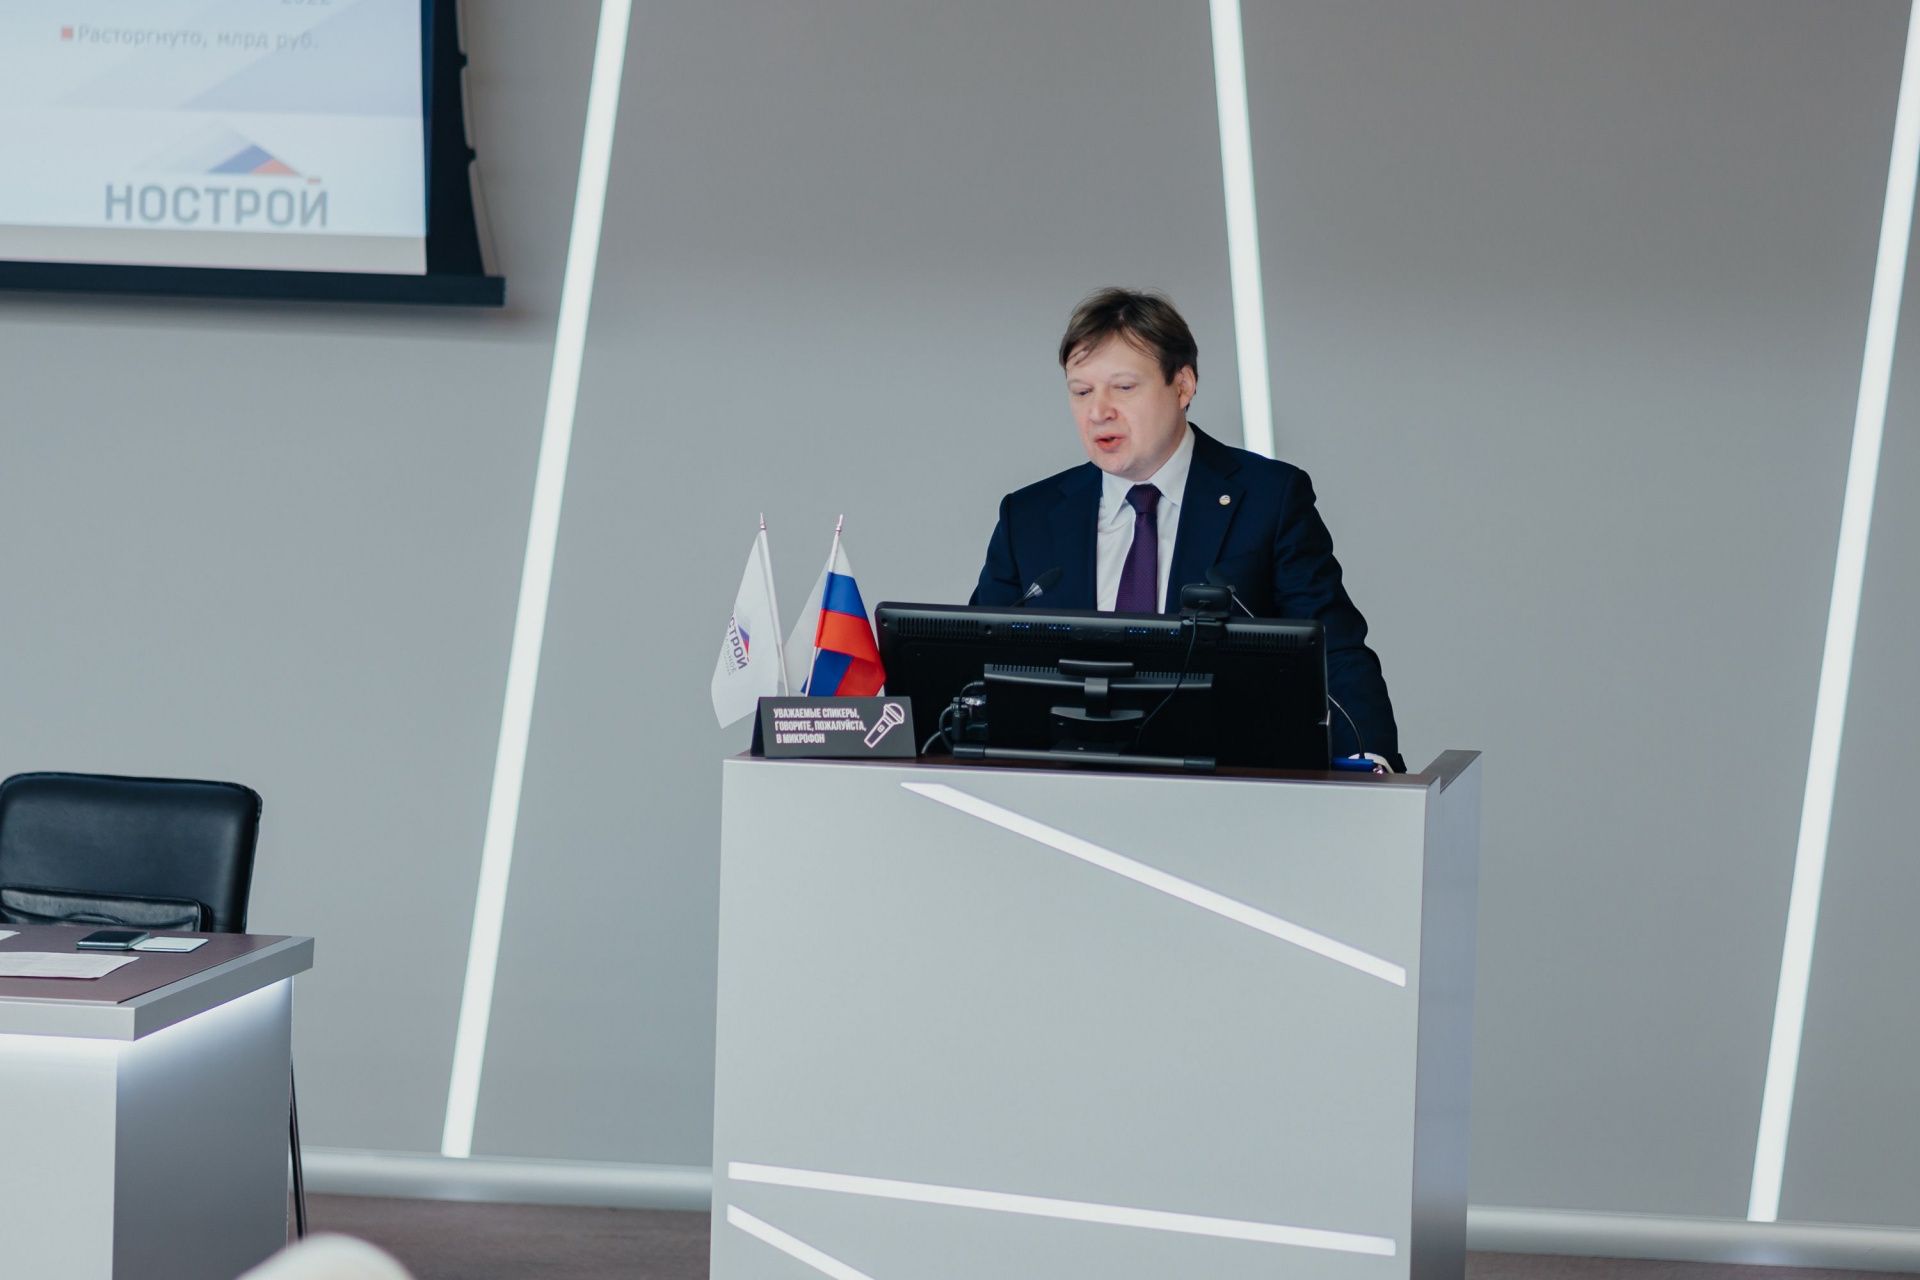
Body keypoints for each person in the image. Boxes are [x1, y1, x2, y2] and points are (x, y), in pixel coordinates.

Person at [971, 287, 1403, 769]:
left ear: (1182, 386)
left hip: (1226, 784)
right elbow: (972, 666)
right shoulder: (1030, 517)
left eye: (1123, 388)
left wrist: (1370, 761)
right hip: (1063, 784)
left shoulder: (1268, 499)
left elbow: (1334, 653)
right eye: (1081, 391)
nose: (1098, 412)